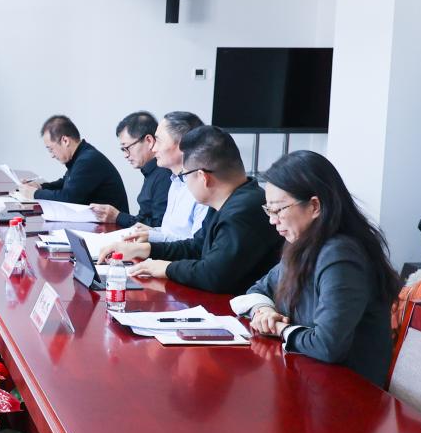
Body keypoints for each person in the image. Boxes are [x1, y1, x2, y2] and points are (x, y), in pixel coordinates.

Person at [230, 151, 400, 386]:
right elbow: (258, 290)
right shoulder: (303, 246)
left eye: (279, 210)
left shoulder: (341, 255)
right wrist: (264, 311)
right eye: (269, 210)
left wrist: (280, 329)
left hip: (349, 392)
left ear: (314, 206)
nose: (272, 220)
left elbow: (327, 345)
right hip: (310, 378)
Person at [98, 126, 282, 295]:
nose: (184, 182)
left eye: (185, 175)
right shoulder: (230, 200)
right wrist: (144, 249)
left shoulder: (243, 212)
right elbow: (196, 247)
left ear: (203, 177)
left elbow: (213, 275)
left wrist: (166, 268)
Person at [17, 115, 128, 210]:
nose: (52, 155)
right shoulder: (81, 155)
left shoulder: (87, 160)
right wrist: (40, 187)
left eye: (51, 149)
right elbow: (65, 184)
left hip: (113, 226)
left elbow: (68, 198)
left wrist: (35, 194)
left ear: (65, 141)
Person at [90, 111, 171, 227]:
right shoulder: (151, 172)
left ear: (149, 141)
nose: (125, 155)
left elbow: (159, 227)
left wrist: (117, 216)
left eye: (127, 147)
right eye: (123, 149)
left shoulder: (164, 174)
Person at [139, 111, 210, 242]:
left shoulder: (203, 186)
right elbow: (172, 233)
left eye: (158, 141)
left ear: (182, 145)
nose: (153, 148)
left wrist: (151, 236)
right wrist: (151, 232)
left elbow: (196, 246)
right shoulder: (176, 180)